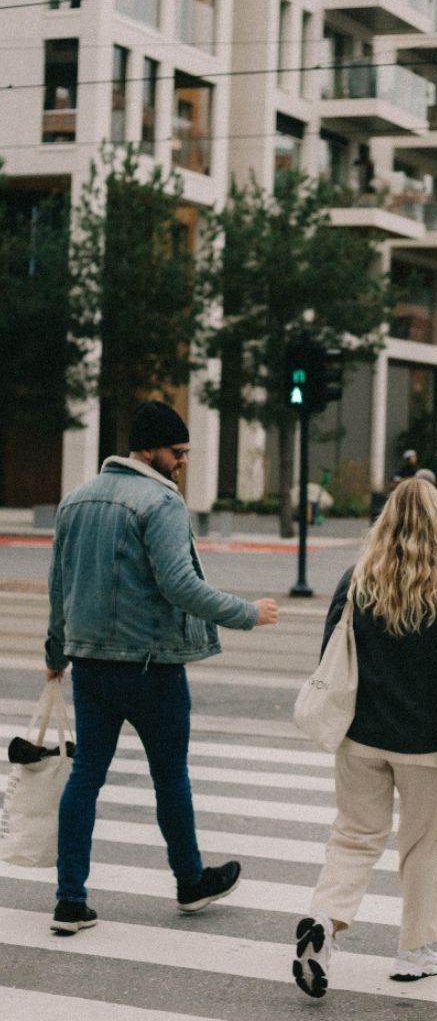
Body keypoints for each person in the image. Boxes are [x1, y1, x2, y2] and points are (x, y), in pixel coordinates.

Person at [45, 401, 279, 935]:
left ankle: (69, 900)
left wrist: (54, 655)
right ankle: (190, 882)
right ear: (149, 450)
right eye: (178, 452)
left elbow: (59, 587)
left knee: (85, 777)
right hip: (152, 668)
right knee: (170, 777)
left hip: (91, 666)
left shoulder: (75, 500)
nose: (183, 462)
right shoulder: (162, 503)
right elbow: (180, 585)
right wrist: (247, 613)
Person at [292, 478, 437, 998]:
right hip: (422, 745)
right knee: (421, 846)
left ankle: (324, 920)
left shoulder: (357, 580)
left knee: (354, 836)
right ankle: (414, 951)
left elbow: (330, 654)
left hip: (360, 736)